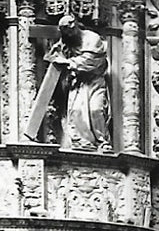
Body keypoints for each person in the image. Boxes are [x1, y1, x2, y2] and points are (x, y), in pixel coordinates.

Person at [47, 15, 112, 151]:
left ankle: (102, 141)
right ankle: (82, 143)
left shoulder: (92, 38)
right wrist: (55, 55)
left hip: (94, 82)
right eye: (65, 32)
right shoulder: (67, 41)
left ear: (75, 25)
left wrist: (68, 63)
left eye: (70, 30)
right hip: (78, 83)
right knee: (76, 111)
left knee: (96, 110)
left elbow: (92, 61)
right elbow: (56, 53)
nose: (69, 35)